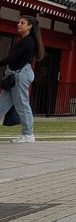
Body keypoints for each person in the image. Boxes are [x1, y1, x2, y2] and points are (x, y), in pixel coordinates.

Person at [0, 13, 45, 144]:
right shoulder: (25, 40)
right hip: (15, 75)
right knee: (2, 103)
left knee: (22, 104)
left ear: (30, 26)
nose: (18, 24)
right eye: (19, 22)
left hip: (20, 75)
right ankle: (27, 134)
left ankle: (28, 134)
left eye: (22, 23)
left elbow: (12, 58)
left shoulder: (28, 41)